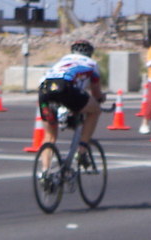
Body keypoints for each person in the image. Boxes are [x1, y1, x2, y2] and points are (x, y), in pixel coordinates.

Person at [38, 40, 106, 170]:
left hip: (44, 89)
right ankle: (82, 150)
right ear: (90, 53)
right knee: (95, 110)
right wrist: (100, 98)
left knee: (50, 136)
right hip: (65, 87)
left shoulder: (62, 61)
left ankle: (44, 172)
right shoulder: (91, 64)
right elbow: (96, 92)